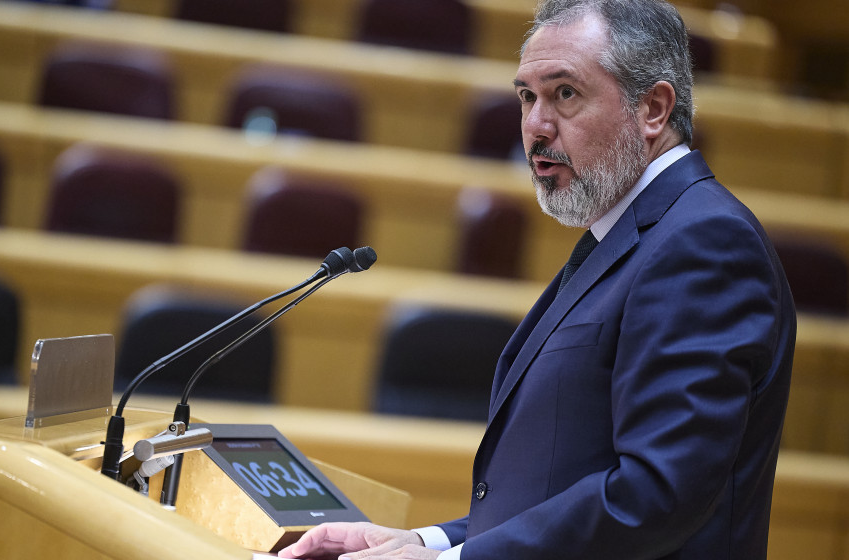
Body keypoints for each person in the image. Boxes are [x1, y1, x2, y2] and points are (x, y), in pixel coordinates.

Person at [278, 0, 796, 558]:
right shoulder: (632, 233)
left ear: (653, 108)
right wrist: (428, 543)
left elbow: (657, 494)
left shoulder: (704, 243)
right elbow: (559, 486)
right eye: (527, 96)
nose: (535, 126)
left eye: (565, 94)